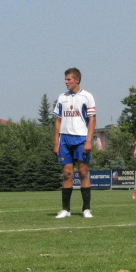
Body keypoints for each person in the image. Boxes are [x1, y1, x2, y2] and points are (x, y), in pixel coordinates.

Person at [53, 67, 96, 219]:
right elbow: (58, 120)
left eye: (69, 79)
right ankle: (66, 209)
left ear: (77, 80)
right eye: (65, 79)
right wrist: (56, 142)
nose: (66, 82)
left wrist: (89, 141)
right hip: (65, 139)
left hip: (81, 139)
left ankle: (86, 209)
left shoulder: (87, 96)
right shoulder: (62, 98)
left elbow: (92, 120)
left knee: (83, 173)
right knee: (67, 174)